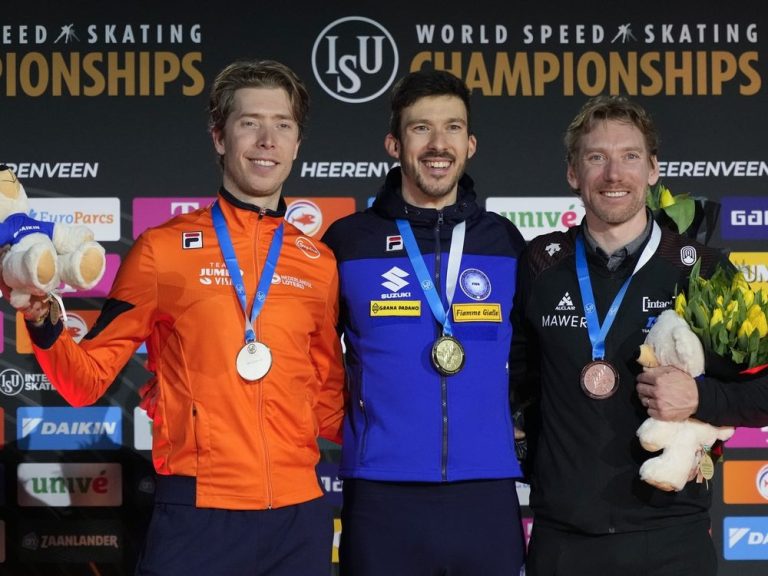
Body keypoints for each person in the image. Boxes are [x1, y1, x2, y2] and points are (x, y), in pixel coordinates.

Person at [8, 59, 345, 576]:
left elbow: (330, 399)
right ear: (218, 136)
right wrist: (46, 323)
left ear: (298, 143)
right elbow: (86, 382)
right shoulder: (161, 251)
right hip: (198, 513)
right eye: (249, 122)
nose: (266, 139)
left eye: (283, 125)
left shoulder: (318, 264)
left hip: (299, 520)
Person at [510, 94, 768, 576]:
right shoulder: (539, 265)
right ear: (573, 173)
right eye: (596, 158)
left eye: (630, 156)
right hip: (562, 539)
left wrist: (700, 397)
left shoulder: (703, 270)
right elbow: (515, 384)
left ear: (653, 170)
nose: (614, 174)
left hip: (670, 539)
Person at [323, 69, 526, 575]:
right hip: (381, 492)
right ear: (394, 142)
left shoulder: (505, 242)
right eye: (421, 128)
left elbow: (535, 359)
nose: (439, 144)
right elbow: (312, 358)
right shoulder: (348, 241)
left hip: (487, 490)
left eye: (453, 127)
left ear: (471, 143)